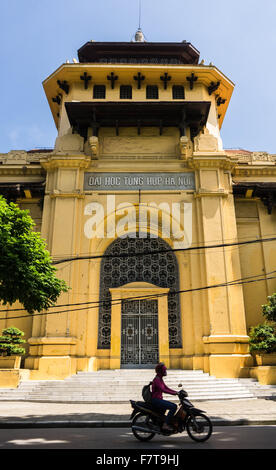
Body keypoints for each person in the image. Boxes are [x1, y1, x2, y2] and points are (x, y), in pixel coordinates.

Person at [151, 362, 178, 432]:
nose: (165, 372)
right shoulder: (157, 380)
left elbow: (166, 388)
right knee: (173, 406)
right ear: (161, 371)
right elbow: (163, 390)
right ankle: (165, 424)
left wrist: (176, 392)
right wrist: (174, 393)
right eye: (164, 370)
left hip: (158, 399)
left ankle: (161, 423)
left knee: (168, 407)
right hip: (156, 400)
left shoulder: (160, 379)